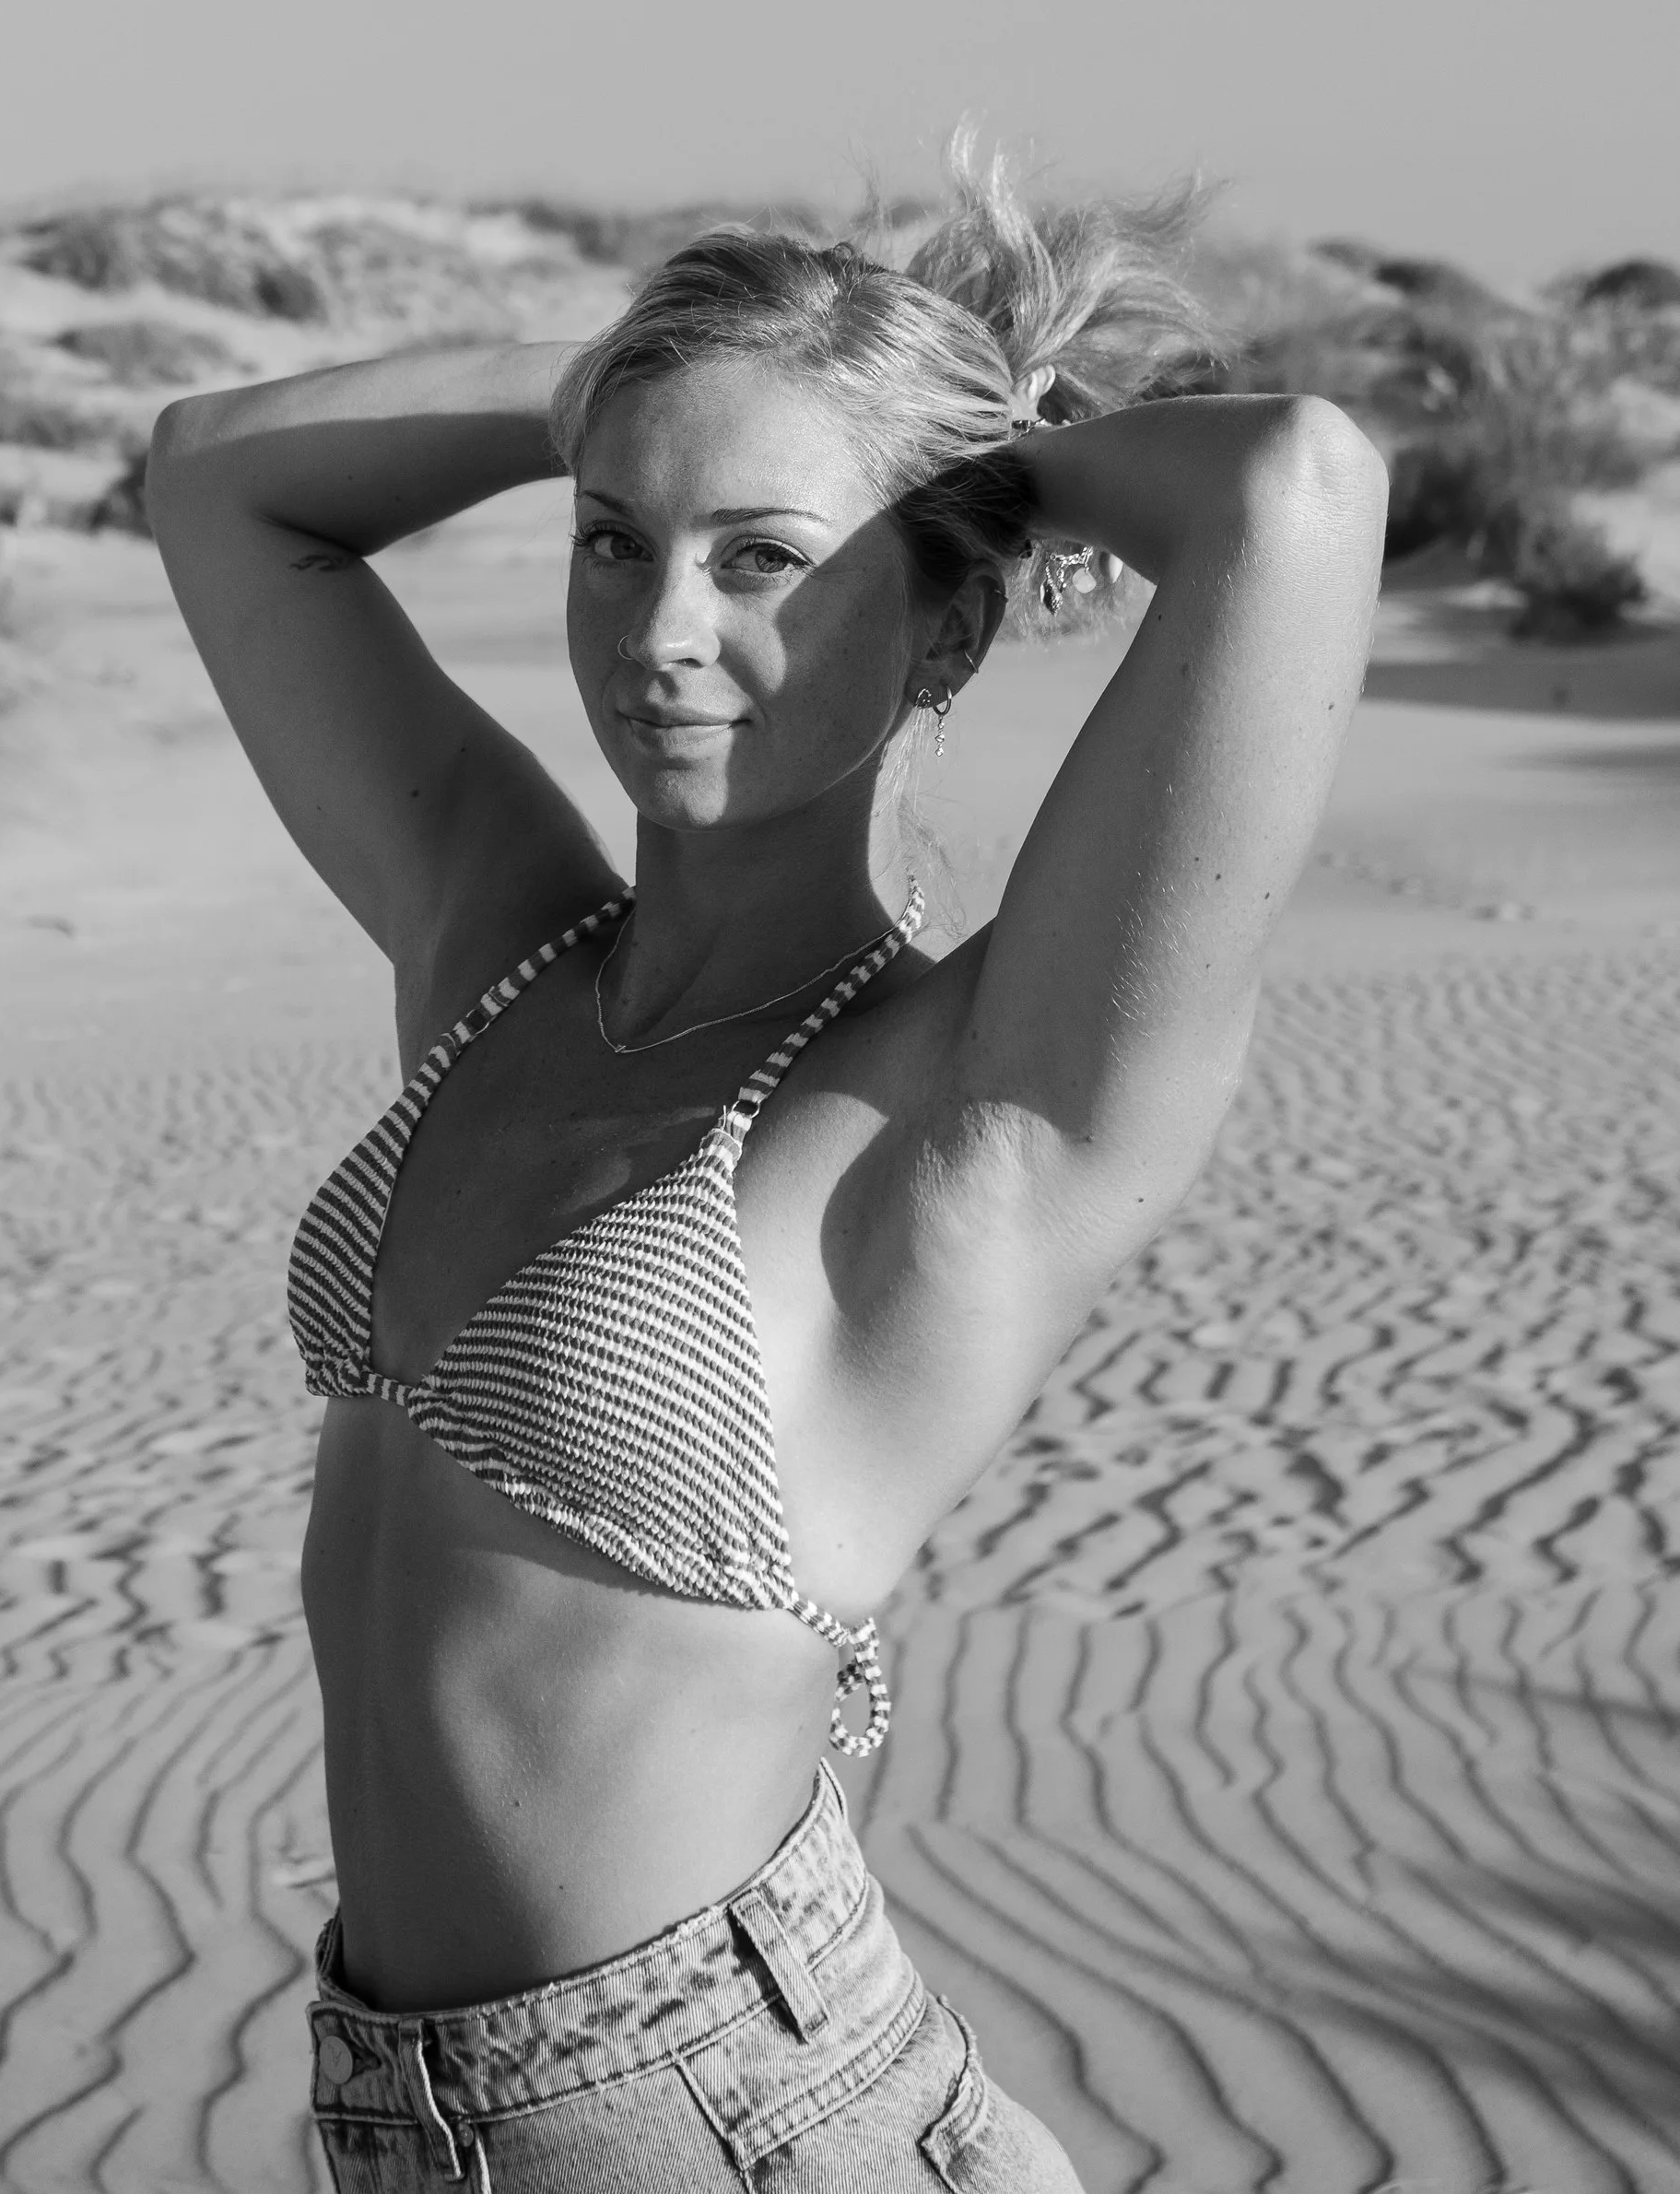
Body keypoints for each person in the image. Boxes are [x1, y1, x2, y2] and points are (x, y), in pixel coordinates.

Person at [147, 156, 1386, 2189]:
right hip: (397, 2111)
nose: (658, 628)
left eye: (765, 561)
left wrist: (968, 460)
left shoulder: (981, 1103)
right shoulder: (498, 949)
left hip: (731, 2121)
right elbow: (216, 478)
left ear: (944, 618)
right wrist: (634, 386)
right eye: (612, 541)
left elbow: (1293, 492)